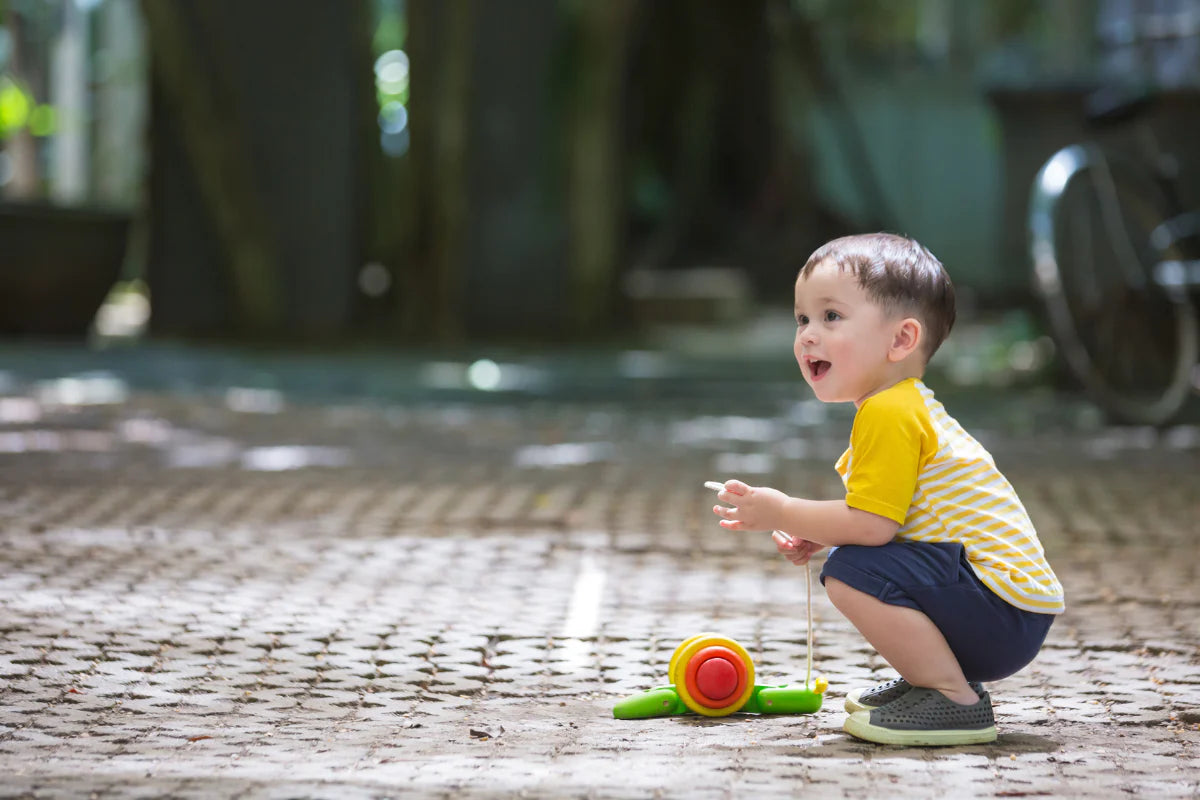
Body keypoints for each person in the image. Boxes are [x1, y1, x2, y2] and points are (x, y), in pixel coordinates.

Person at [710, 232, 1064, 746]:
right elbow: (896, 520)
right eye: (802, 319)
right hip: (1009, 609)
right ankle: (935, 678)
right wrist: (821, 531)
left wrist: (783, 510)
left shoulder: (889, 412)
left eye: (831, 317)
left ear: (901, 340)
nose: (808, 334)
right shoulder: (901, 404)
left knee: (851, 572)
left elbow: (873, 528)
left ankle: (952, 698)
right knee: (856, 560)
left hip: (1002, 613)